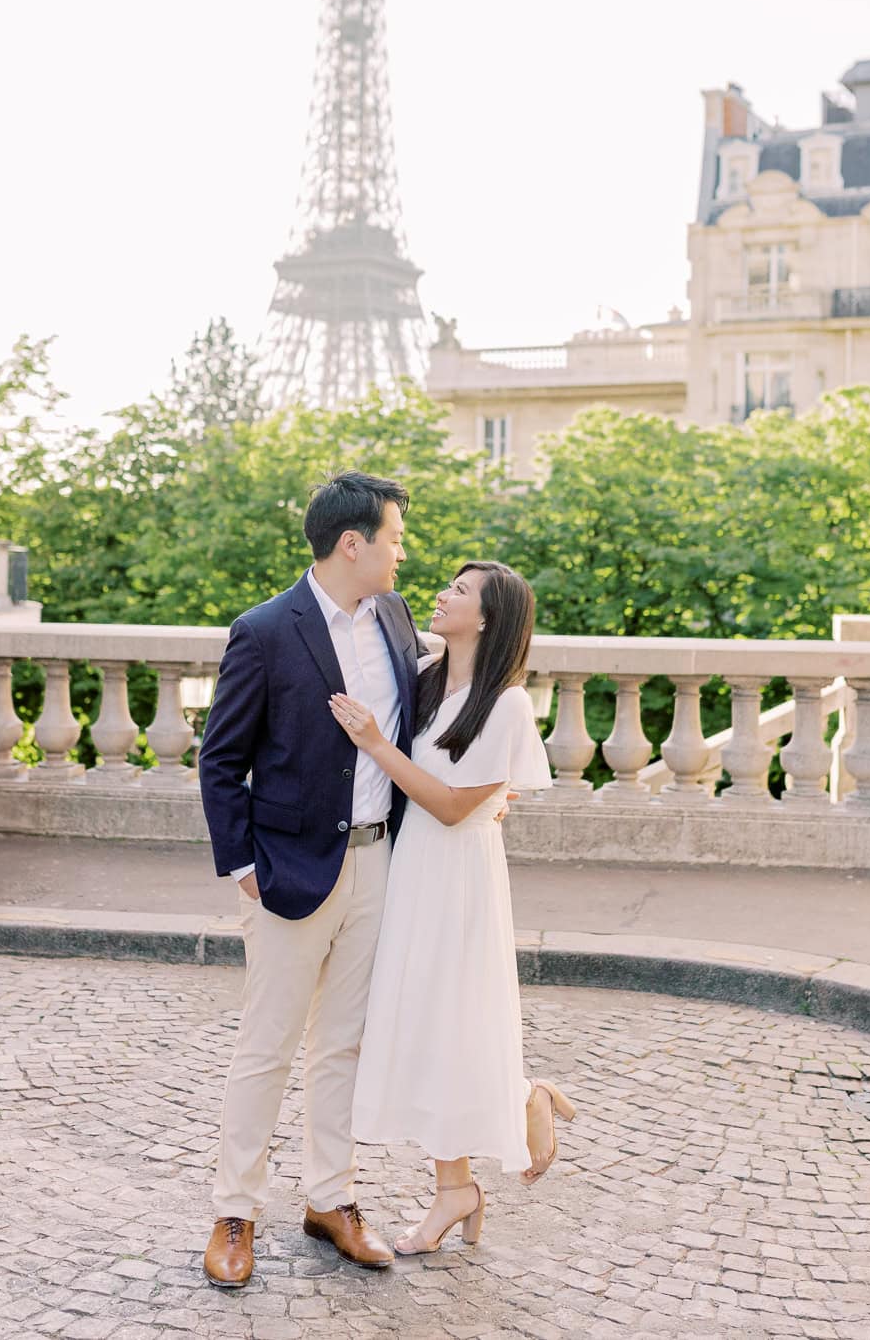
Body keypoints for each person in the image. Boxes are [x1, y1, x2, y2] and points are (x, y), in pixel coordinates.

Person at [197, 471, 421, 1289]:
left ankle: (332, 1198)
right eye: (395, 537)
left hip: (377, 862)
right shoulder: (263, 630)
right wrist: (247, 868)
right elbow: (220, 760)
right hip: (289, 872)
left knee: (345, 1046)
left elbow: (421, 727)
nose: (403, 551)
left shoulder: (396, 617)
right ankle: (236, 1209)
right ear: (352, 543)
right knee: (268, 1046)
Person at [329, 559, 576, 1255]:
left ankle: (474, 1161)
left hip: (460, 875)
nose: (443, 593)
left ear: (489, 618)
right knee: (426, 1024)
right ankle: (469, 1167)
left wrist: (374, 742)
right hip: (414, 868)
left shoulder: (507, 702)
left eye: (460, 591)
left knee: (454, 1019)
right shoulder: (427, 679)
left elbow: (450, 804)